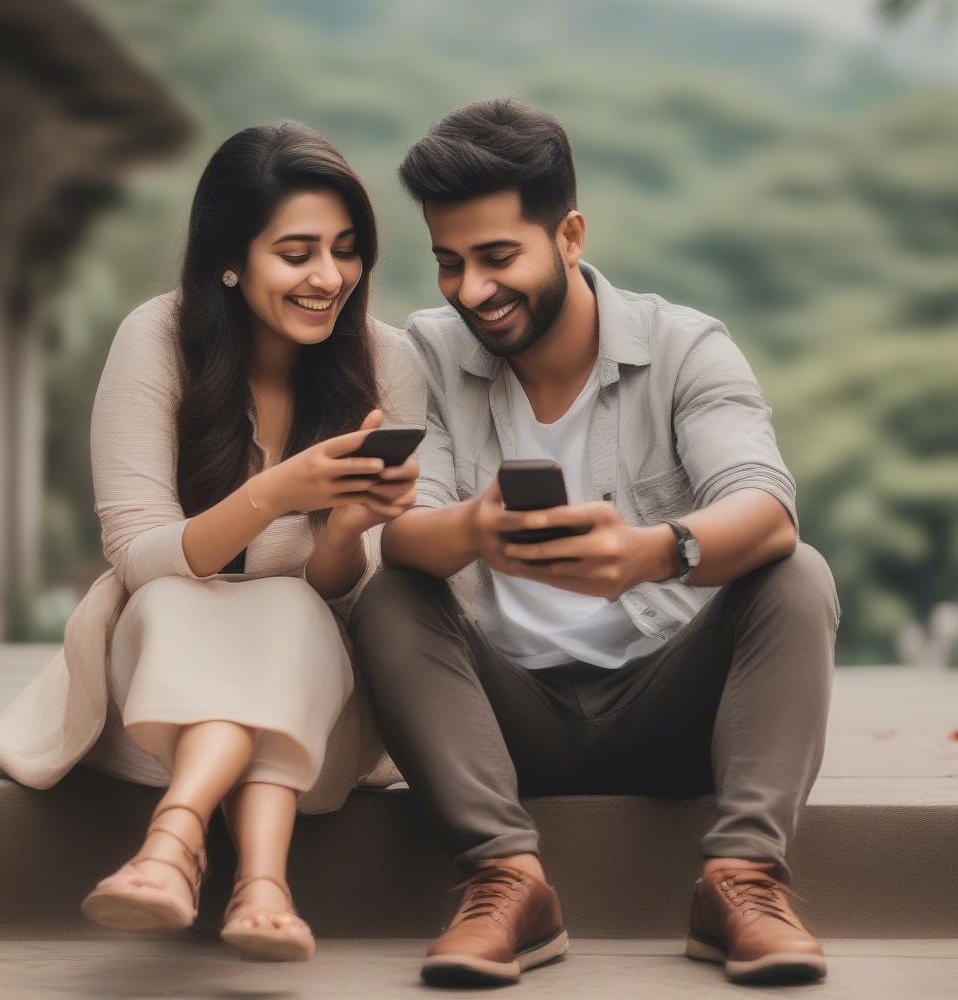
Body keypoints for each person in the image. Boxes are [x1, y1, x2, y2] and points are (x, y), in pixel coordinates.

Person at [350, 98, 841, 987]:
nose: (471, 291)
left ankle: (743, 881)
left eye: (499, 257)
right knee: (391, 592)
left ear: (569, 234)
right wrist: (474, 528)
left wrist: (656, 553)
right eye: (449, 264)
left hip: (671, 706)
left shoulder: (686, 348)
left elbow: (765, 507)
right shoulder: (422, 352)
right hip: (503, 715)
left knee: (795, 575)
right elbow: (404, 533)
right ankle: (505, 878)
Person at [0, 121, 425, 961]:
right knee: (187, 593)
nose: (330, 278)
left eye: (347, 249)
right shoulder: (157, 338)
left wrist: (345, 534)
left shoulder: (384, 361)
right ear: (230, 257)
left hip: (309, 712)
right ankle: (263, 887)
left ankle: (169, 850)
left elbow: (345, 595)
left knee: (294, 605)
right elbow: (139, 556)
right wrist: (271, 496)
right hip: (152, 700)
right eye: (297, 253)